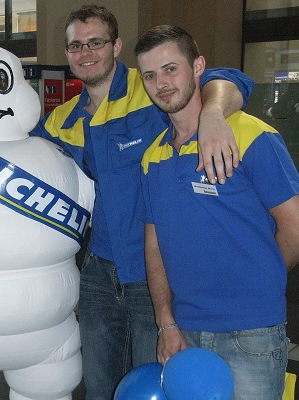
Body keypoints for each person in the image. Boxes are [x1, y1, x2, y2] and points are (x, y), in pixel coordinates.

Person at [29, 5, 254, 399]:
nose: (86, 53)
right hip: (99, 270)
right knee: (99, 385)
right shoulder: (60, 120)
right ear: (66, 55)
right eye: (76, 46)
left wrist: (215, 114)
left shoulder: (150, 87)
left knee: (153, 378)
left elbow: (228, 78)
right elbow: (9, 140)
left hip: (156, 270)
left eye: (95, 42)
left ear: (115, 46)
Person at [135, 25, 299, 400]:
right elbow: (154, 245)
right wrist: (165, 323)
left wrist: (258, 277)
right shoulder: (152, 157)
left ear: (198, 68)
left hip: (251, 334)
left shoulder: (252, 136)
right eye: (150, 75)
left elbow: (295, 227)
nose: (161, 83)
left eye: (170, 68)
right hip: (185, 332)